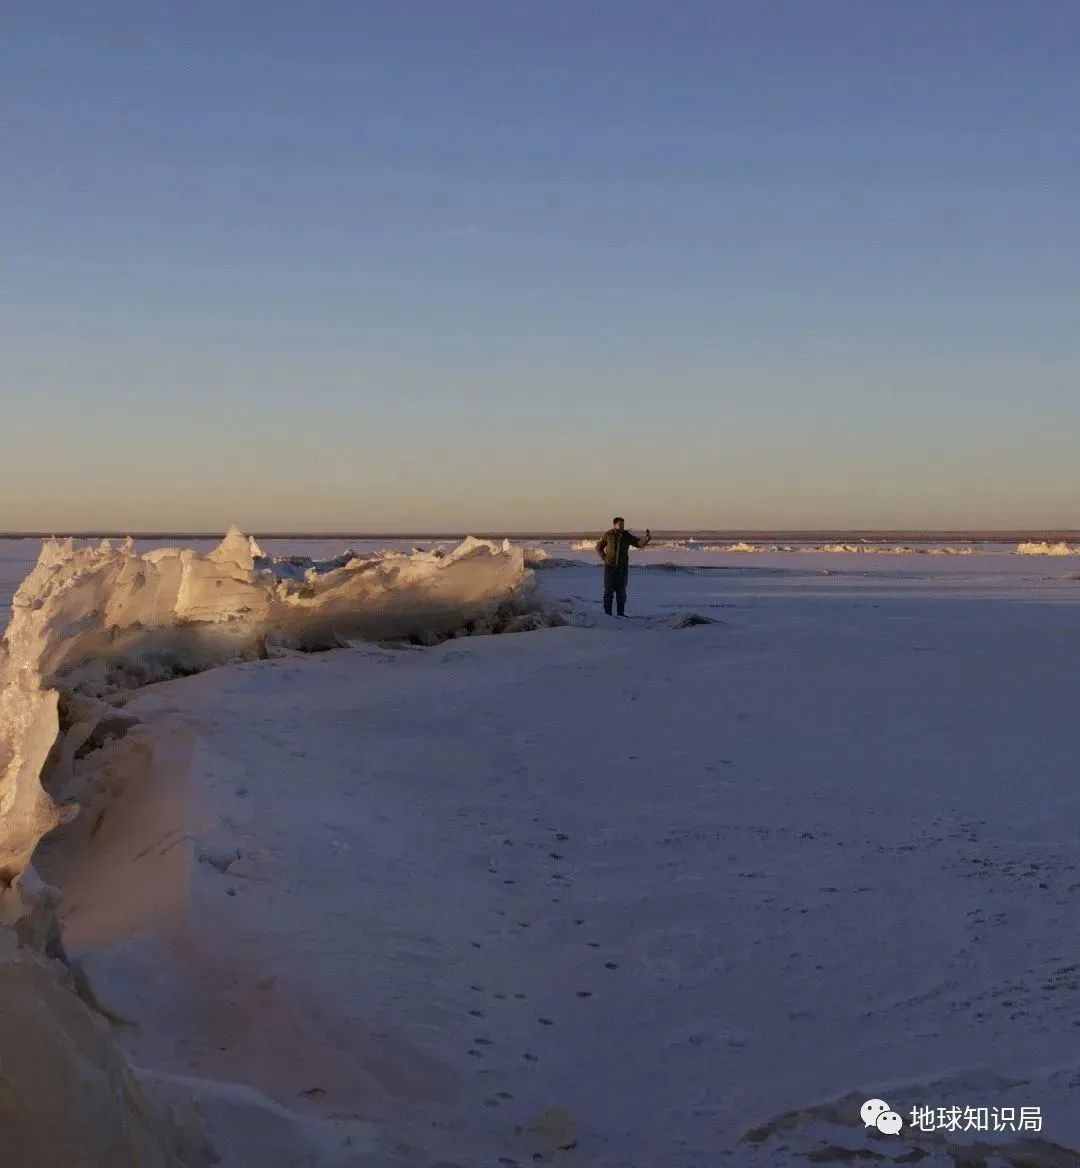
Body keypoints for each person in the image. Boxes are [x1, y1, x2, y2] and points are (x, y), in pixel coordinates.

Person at [595, 517, 651, 616]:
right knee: (608, 591)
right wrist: (605, 558)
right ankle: (607, 614)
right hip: (610, 568)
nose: (622, 526)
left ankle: (621, 614)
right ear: (615, 524)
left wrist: (646, 538)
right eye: (620, 524)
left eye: (623, 524)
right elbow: (598, 547)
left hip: (622, 568)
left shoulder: (626, 535)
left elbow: (638, 543)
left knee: (621, 592)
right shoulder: (608, 535)